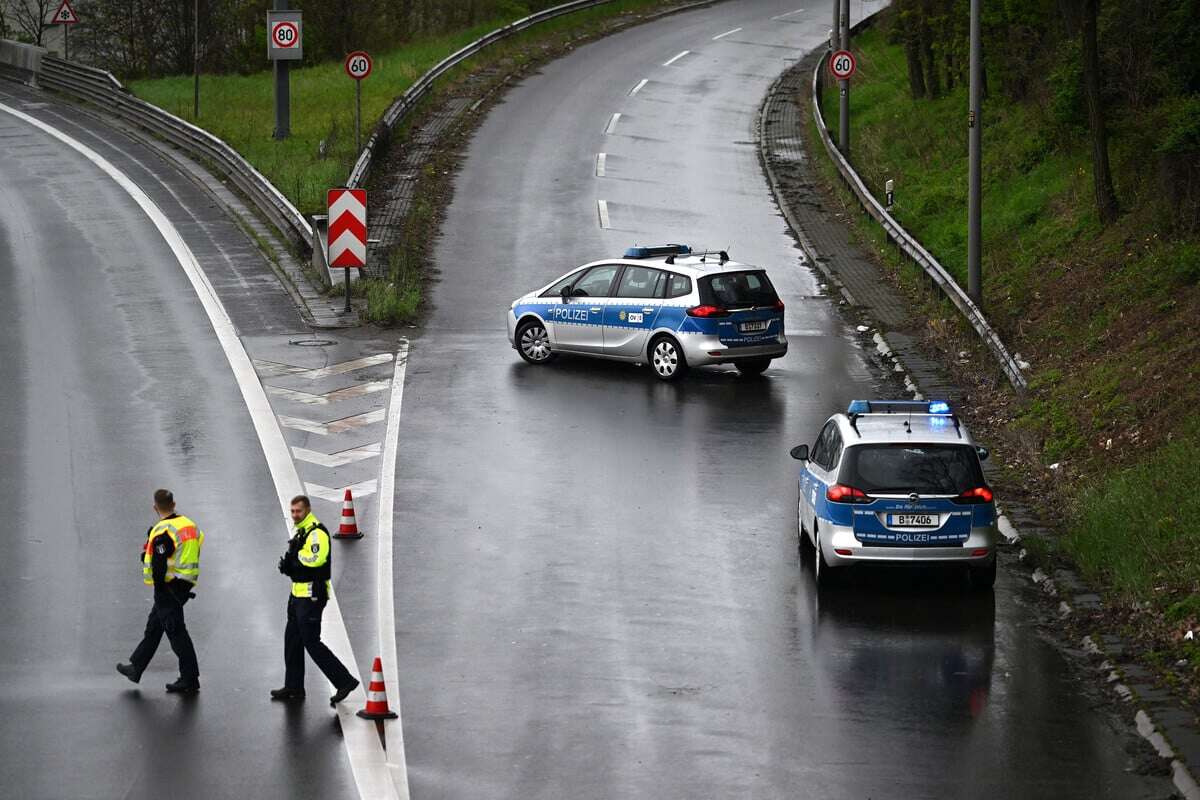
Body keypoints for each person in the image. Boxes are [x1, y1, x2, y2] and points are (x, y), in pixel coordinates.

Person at [270, 495, 359, 705]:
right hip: (297, 594)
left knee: (312, 642)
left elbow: (315, 559)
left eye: (298, 511)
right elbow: (298, 560)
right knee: (292, 640)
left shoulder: (316, 533)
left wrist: (295, 559)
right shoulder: (301, 531)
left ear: (307, 510)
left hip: (311, 596)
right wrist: (289, 565)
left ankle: (344, 681)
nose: (294, 515)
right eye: (292, 511)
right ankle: (294, 686)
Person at [117, 489, 204, 694]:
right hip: (184, 582)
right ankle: (136, 667)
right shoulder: (188, 524)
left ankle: (190, 678)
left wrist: (160, 586)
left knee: (176, 632)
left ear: (155, 507)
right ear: (173, 504)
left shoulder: (162, 531)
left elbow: (159, 565)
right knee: (154, 627)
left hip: (168, 586)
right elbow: (194, 544)